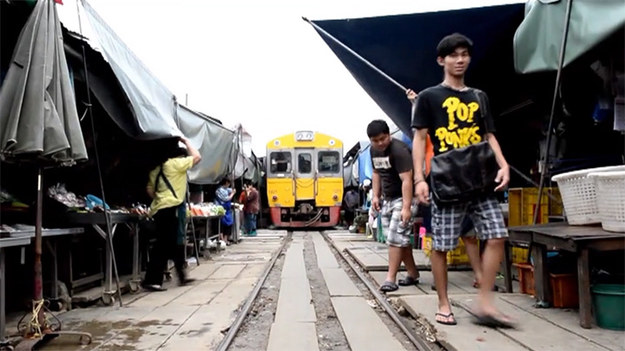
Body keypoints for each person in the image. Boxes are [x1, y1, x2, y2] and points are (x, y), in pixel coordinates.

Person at [411, 33, 513, 327]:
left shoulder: (479, 96)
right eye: (454, 55)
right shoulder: (429, 97)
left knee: (496, 236)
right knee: (441, 246)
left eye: (465, 54)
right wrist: (420, 178)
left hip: (480, 178)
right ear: (441, 60)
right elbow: (419, 139)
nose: (460, 60)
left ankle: (485, 303)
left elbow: (488, 136)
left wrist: (503, 165)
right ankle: (444, 304)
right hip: (446, 181)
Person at [367, 119, 420, 293]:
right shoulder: (374, 151)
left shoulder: (399, 150)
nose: (380, 143)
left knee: (395, 238)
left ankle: (391, 278)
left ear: (389, 135)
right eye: (375, 140)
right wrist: (376, 195)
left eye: (383, 139)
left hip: (405, 198)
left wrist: (406, 207)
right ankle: (412, 273)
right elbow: (376, 173)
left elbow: (407, 180)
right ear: (370, 140)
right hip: (388, 198)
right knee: (399, 239)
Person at [142, 137, 202, 291]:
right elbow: (197, 157)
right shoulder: (175, 164)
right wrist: (187, 141)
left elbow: (150, 190)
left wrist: (161, 198)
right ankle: (152, 280)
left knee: (173, 243)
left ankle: (182, 276)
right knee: (163, 245)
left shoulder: (156, 169)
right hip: (170, 208)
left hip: (159, 208)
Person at [215, 178, 235, 245]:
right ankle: (222, 239)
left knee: (229, 224)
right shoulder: (219, 190)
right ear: (226, 182)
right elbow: (226, 199)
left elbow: (231, 190)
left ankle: (226, 239)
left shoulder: (226, 189)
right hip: (222, 210)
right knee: (222, 225)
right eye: (228, 184)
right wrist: (232, 194)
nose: (229, 185)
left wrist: (232, 191)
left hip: (227, 210)